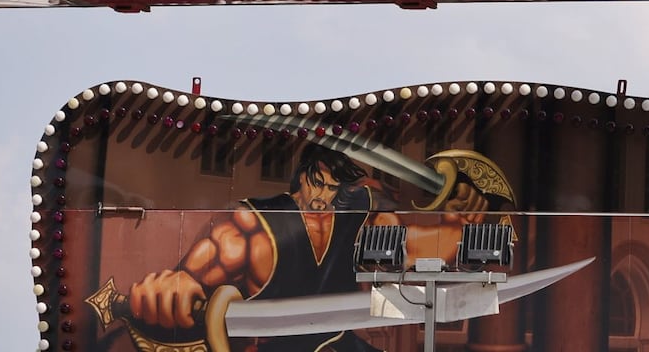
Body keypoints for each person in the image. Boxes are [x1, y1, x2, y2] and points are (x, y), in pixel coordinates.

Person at [121, 143, 505, 352]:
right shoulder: (254, 225)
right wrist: (174, 287)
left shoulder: (359, 210)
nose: (323, 196)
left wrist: (458, 225)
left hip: (341, 342)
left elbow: (414, 247)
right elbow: (189, 280)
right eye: (316, 183)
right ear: (299, 178)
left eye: (333, 187)